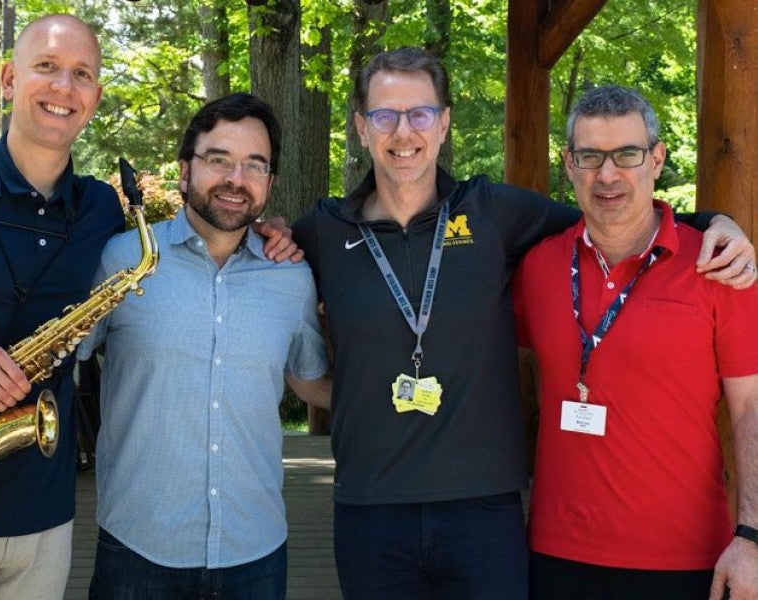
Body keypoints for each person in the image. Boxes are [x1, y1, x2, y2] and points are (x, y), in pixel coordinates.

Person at [291, 47, 756, 600]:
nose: (403, 130)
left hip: (492, 515)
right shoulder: (322, 232)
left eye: (419, 113)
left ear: (443, 124)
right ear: (362, 128)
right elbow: (261, 273)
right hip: (385, 512)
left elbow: (617, 217)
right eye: (385, 115)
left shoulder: (493, 213)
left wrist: (717, 222)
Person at [0, 16, 298, 600]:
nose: (64, 88)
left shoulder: (98, 211)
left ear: (95, 96)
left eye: (82, 74)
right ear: (11, 79)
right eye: (46, 67)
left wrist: (269, 231)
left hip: (43, 514)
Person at [77, 93, 331, 600]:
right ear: (185, 170)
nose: (236, 179)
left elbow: (309, 380)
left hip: (254, 550)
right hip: (137, 548)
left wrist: (401, 401)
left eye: (254, 165)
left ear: (269, 181)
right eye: (218, 160)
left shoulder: (292, 275)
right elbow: (58, 361)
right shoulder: (119, 260)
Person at [513, 85, 758, 600]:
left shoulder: (719, 268)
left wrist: (753, 538)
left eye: (626, 154)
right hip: (555, 555)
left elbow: (751, 408)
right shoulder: (537, 268)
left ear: (657, 158)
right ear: (568, 163)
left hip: (684, 560)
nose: (607, 175)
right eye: (590, 156)